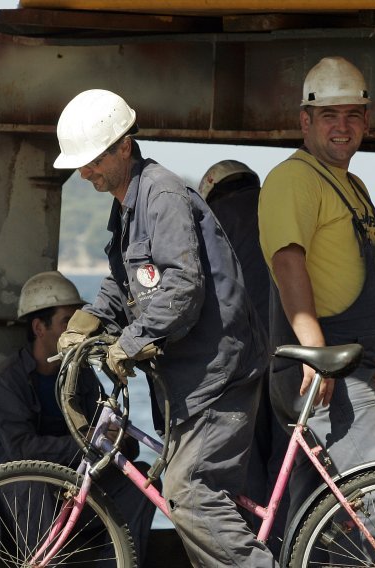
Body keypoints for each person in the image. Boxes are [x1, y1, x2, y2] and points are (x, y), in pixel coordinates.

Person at [52, 89, 277, 567]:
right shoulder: (128, 206)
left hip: (220, 373)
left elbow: (182, 287)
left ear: (123, 147)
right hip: (191, 380)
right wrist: (90, 321)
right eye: (81, 163)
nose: (85, 171)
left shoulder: (162, 195)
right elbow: (125, 282)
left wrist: (130, 343)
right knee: (192, 505)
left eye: (93, 160)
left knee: (190, 494)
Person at [257, 55, 375, 546]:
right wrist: (317, 354)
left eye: (353, 115)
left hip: (351, 362)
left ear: (366, 120)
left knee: (311, 504)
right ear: (305, 121)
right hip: (323, 367)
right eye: (329, 116)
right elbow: (289, 262)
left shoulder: (354, 186)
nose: (343, 127)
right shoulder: (293, 179)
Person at [0, 270, 155, 562]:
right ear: (39, 327)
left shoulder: (79, 375)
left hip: (66, 488)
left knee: (143, 480)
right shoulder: (5, 379)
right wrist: (89, 441)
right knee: (31, 480)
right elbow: (22, 449)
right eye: (67, 321)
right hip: (5, 502)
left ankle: (118, 561)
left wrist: (120, 441)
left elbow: (105, 434)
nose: (75, 330)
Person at [199, 159, 289, 549]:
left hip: (242, 363)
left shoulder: (210, 218)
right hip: (293, 356)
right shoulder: (279, 210)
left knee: (245, 466)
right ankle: (291, 547)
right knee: (287, 467)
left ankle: (254, 552)